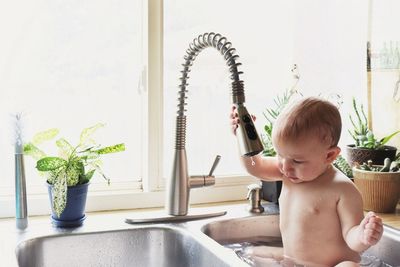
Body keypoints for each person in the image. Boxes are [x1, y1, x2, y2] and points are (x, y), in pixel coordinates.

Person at [230, 97, 383, 267]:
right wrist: (242, 139)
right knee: (247, 252)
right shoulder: (288, 172)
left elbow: (351, 238)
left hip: (331, 265)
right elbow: (255, 166)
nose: (285, 167)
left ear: (329, 156)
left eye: (297, 161)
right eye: (280, 155)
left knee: (350, 266)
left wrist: (363, 235)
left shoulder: (343, 190)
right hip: (293, 261)